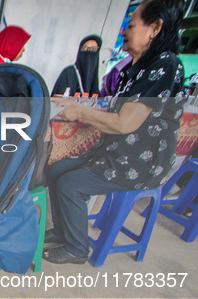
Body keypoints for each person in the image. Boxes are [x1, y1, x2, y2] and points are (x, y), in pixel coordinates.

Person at [45, 0, 187, 265]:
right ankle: (64, 231)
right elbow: (115, 108)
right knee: (55, 170)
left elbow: (125, 123)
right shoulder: (136, 67)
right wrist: (78, 105)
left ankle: (77, 248)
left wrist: (80, 112)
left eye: (131, 26)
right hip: (116, 152)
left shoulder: (166, 65)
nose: (124, 32)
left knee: (70, 184)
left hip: (141, 161)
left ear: (155, 28)